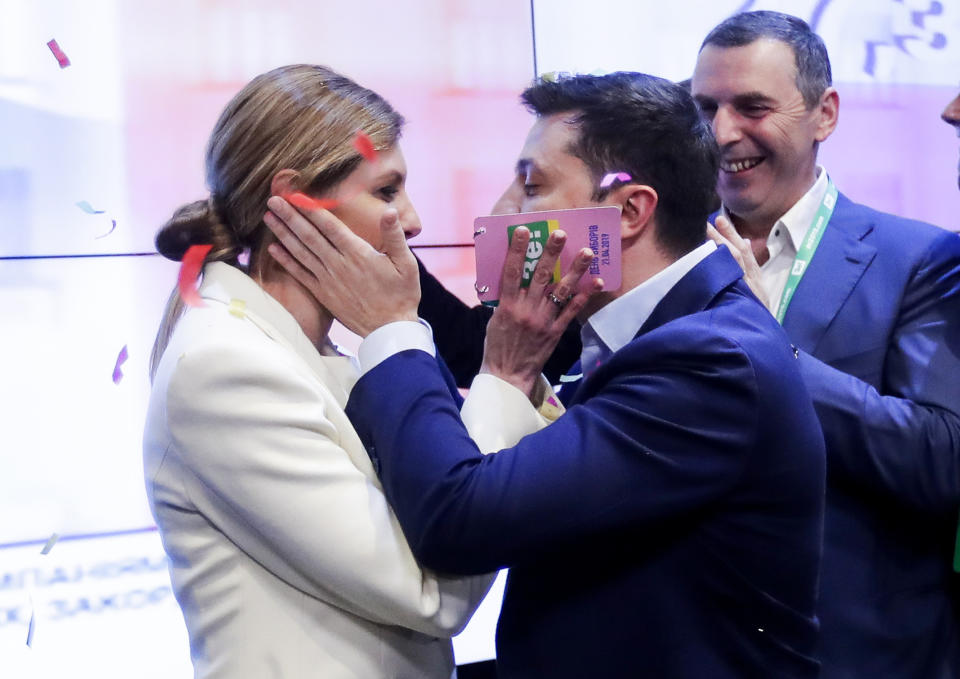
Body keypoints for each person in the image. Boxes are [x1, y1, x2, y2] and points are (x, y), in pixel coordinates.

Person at [264, 71, 827, 678]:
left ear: (629, 211)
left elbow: (459, 520)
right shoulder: (652, 331)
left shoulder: (708, 359)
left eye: (532, 187)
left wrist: (391, 330)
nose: (506, 212)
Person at [142, 64, 495, 679]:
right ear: (296, 202)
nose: (411, 222)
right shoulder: (226, 366)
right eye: (386, 192)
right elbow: (432, 592)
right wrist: (506, 379)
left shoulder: (315, 354)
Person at [690, 11, 960, 678]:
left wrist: (765, 344)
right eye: (704, 109)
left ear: (825, 113)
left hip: (855, 654)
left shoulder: (920, 257)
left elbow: (940, 458)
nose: (723, 133)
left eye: (752, 106)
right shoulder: (664, 261)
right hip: (691, 646)